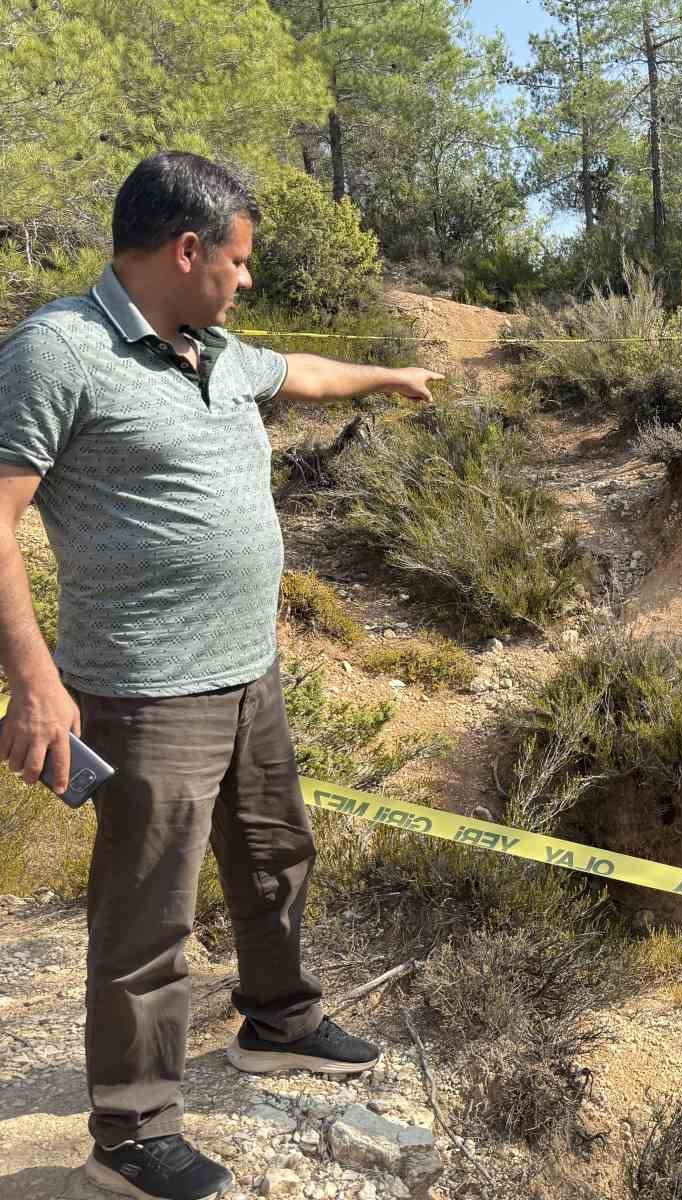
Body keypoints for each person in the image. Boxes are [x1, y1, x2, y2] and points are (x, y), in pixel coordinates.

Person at [0, 152, 444, 1200]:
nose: (247, 281)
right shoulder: (55, 352)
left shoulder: (213, 348)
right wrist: (35, 682)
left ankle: (278, 1023)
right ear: (186, 249)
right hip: (148, 691)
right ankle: (130, 1133)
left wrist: (390, 377)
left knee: (278, 850)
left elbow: (300, 372)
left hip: (250, 672)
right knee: (149, 914)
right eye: (238, 262)